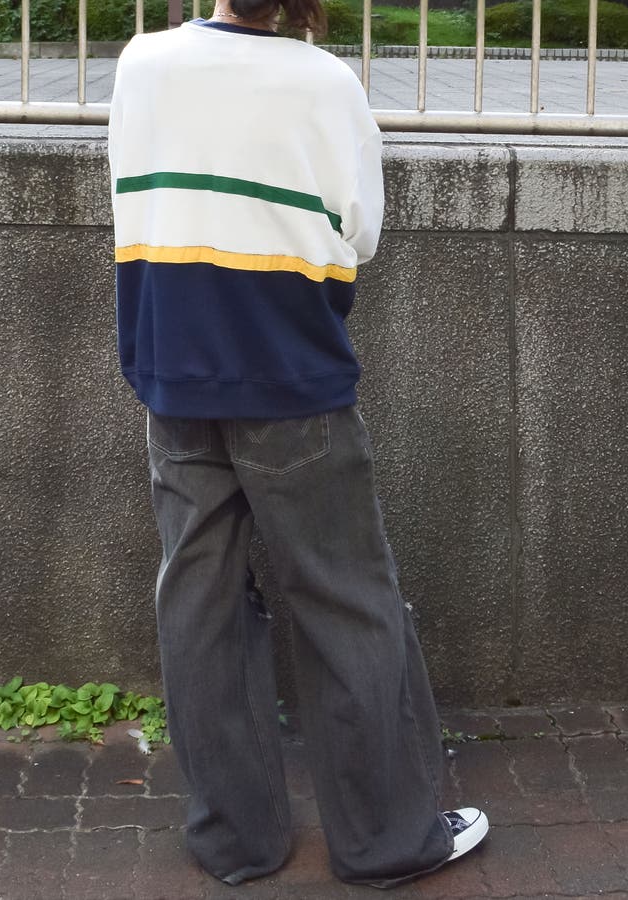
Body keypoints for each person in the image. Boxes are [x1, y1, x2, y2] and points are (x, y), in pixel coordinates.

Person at [107, 0, 489, 888]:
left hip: (174, 371)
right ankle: (385, 840)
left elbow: (133, 192)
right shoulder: (325, 81)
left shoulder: (142, 63)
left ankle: (234, 839)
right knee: (346, 597)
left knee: (198, 600)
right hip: (290, 376)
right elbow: (360, 231)